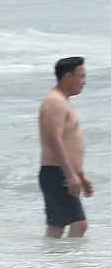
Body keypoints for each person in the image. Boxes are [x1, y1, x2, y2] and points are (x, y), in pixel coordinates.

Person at [39, 56, 92, 238]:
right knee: (80, 225)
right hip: (57, 173)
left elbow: (68, 143)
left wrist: (81, 174)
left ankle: (50, 265)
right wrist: (70, 175)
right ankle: (72, 266)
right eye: (82, 76)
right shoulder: (56, 102)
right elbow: (55, 140)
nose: (84, 82)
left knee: (57, 227)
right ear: (68, 76)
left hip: (57, 173)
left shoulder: (61, 101)